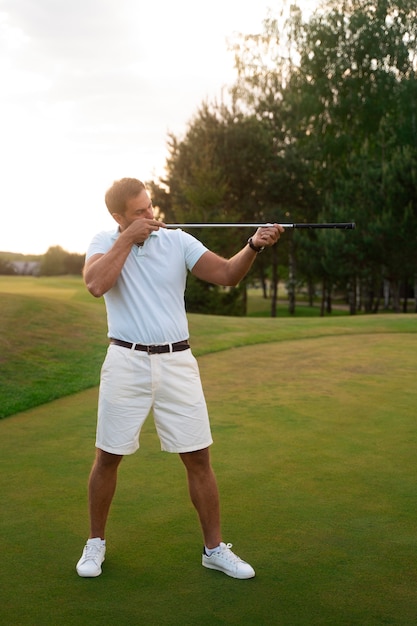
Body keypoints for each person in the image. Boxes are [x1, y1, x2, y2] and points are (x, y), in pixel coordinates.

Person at [76, 177, 283, 580]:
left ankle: (214, 549)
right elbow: (96, 284)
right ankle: (95, 544)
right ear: (118, 217)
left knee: (199, 458)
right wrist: (127, 240)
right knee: (108, 457)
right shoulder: (104, 240)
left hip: (177, 362)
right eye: (138, 213)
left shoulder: (177, 240)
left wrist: (253, 245)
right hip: (125, 361)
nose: (149, 216)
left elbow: (226, 275)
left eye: (149, 207)